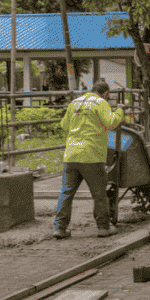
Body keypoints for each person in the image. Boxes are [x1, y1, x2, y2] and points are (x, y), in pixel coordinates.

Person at [53, 79, 125, 239]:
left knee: (66, 193)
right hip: (92, 155)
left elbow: (64, 126)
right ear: (105, 94)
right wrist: (119, 111)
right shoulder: (101, 103)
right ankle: (103, 228)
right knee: (99, 194)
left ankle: (59, 228)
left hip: (71, 155)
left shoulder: (75, 102)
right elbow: (111, 122)